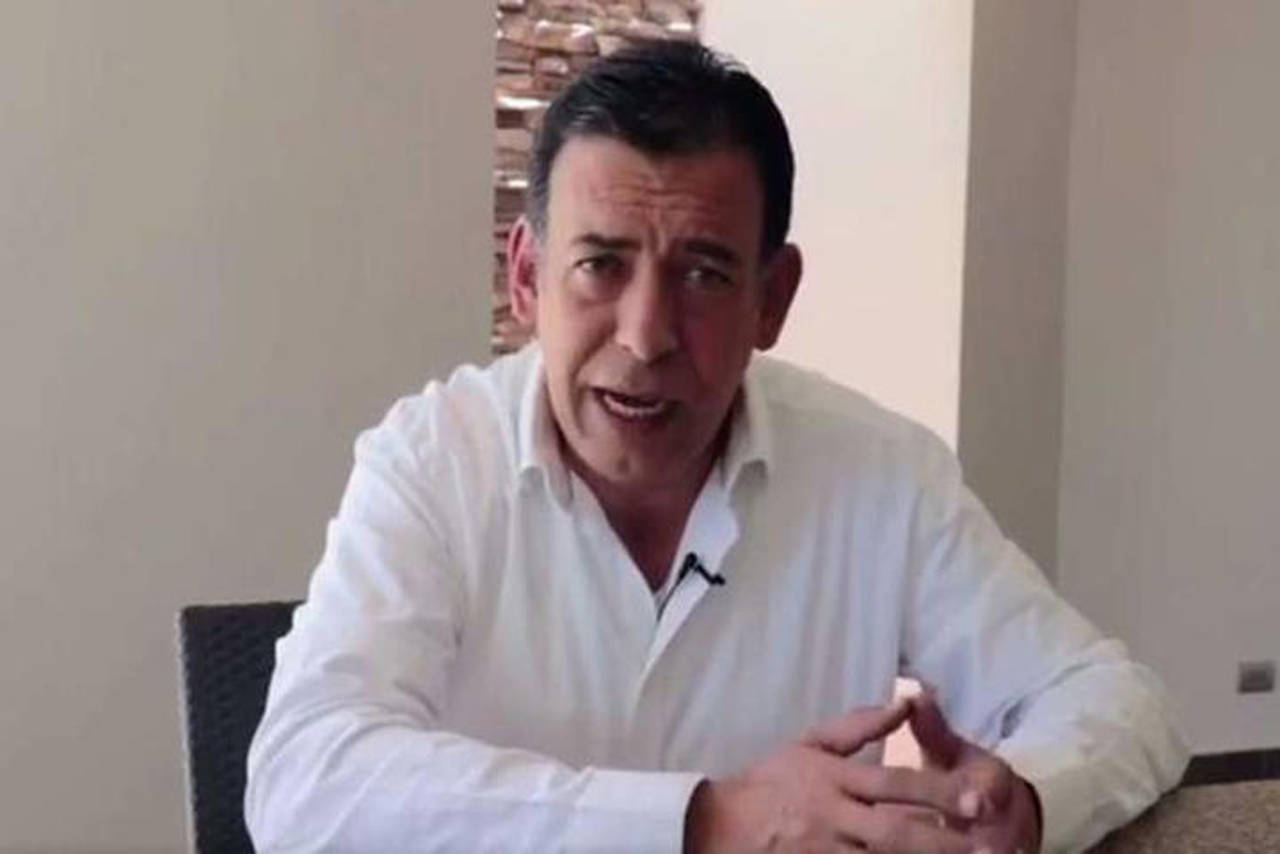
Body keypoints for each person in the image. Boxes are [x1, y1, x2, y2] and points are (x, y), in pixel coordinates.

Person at [245, 40, 1187, 853]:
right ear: (527, 276)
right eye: (601, 265)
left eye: (702, 274)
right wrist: (704, 823)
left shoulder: (881, 473)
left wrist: (1021, 803)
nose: (646, 335)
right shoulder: (432, 461)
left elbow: (1117, 701)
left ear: (772, 300)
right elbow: (303, 778)